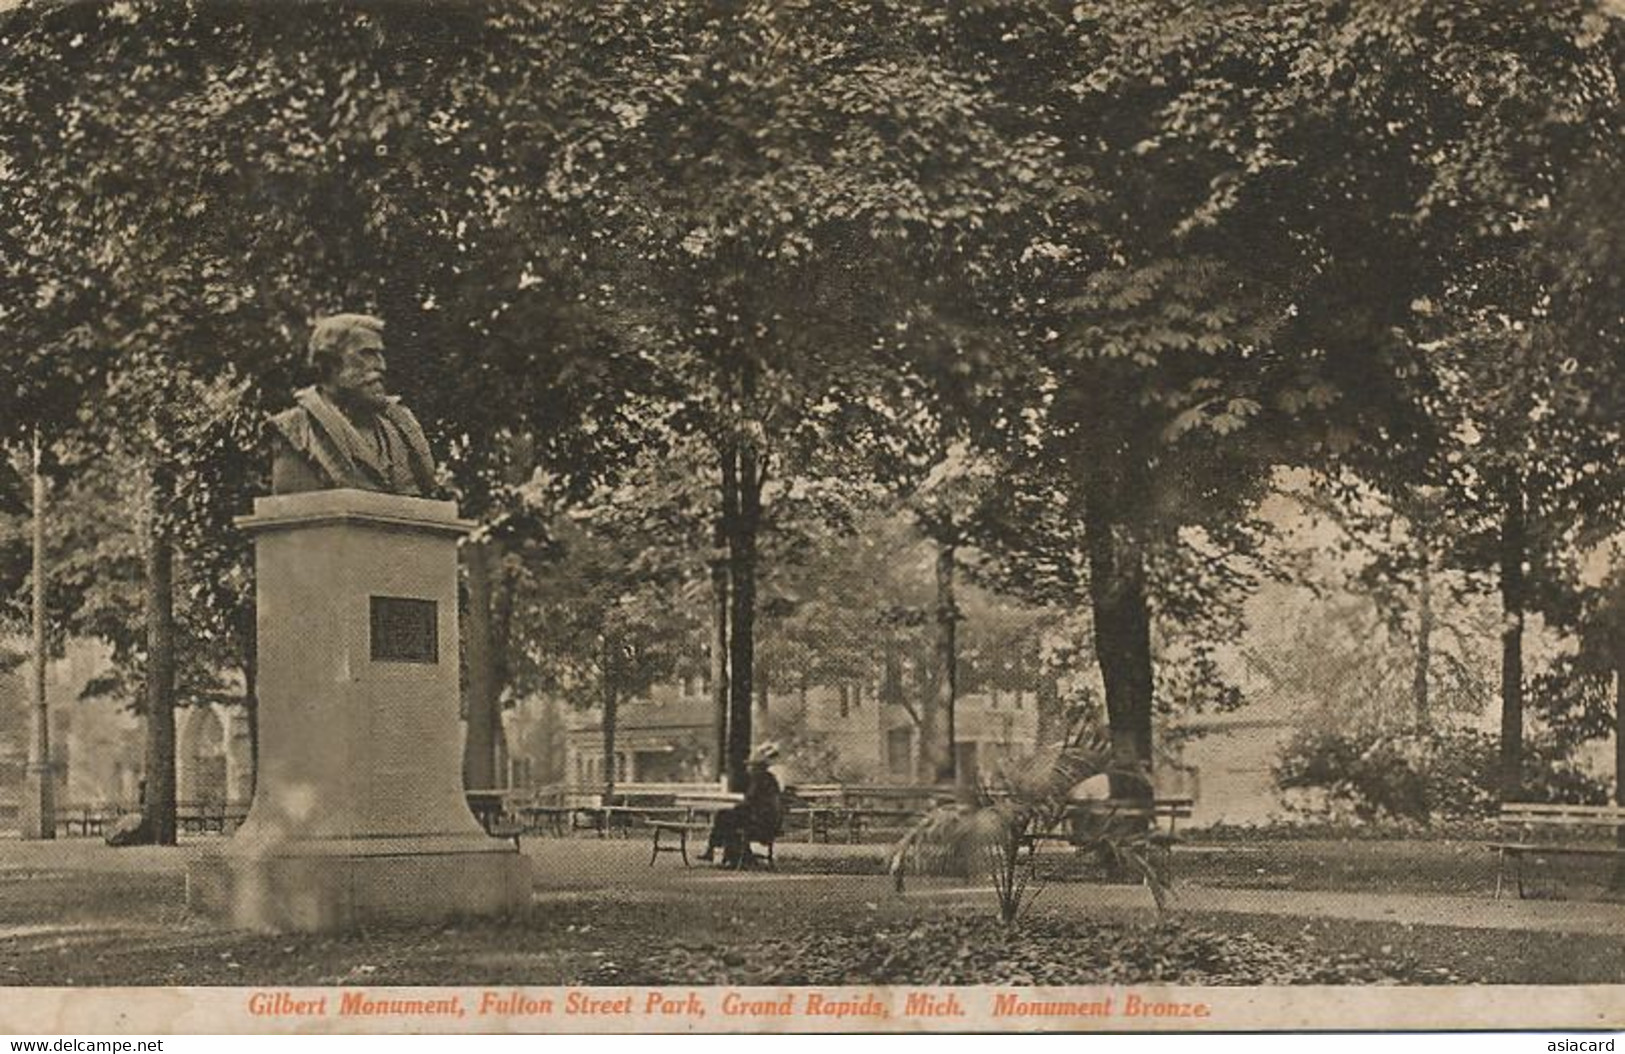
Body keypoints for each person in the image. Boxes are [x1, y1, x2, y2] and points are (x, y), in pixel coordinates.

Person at [269, 313, 437, 497]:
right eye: (367, 353)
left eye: (381, 355)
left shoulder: (400, 426)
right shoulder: (296, 429)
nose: (382, 366)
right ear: (329, 363)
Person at [698, 743, 783, 868]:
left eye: (752, 765)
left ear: (758, 766)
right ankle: (733, 855)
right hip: (770, 822)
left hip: (762, 824)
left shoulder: (759, 779)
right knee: (728, 817)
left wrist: (738, 806)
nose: (750, 769)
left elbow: (751, 800)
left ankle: (717, 852)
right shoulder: (769, 779)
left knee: (725, 816)